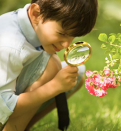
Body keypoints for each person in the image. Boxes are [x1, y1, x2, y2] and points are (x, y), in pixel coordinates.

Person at [0, 0, 98, 130]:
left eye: (73, 37)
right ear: (36, 14)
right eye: (62, 34)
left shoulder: (31, 23)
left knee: (77, 75)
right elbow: (3, 110)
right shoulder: (10, 45)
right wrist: (54, 86)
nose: (66, 45)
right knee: (52, 66)